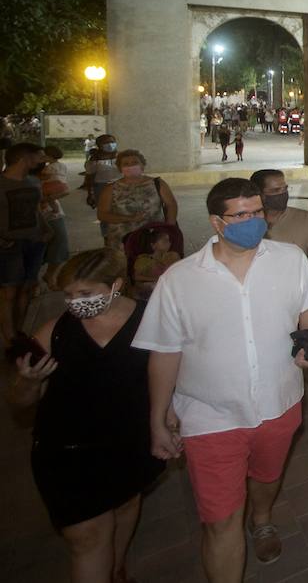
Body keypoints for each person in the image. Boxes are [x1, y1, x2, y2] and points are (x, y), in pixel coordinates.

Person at [133, 177, 308, 578]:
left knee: (267, 477)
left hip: (279, 403)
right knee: (221, 523)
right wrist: (157, 417)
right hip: (209, 416)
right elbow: (164, 353)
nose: (253, 221)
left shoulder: (290, 259)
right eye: (242, 215)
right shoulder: (179, 280)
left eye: (257, 212)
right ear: (217, 223)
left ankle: (262, 516)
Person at [9, 249, 165, 583]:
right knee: (88, 538)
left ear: (116, 285)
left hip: (129, 442)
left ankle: (116, 569)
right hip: (68, 452)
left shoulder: (151, 321)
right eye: (69, 295)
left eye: (85, 293)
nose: (75, 303)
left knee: (125, 507)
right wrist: (27, 382)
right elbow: (20, 402)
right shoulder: (54, 334)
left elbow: (169, 376)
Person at [2, 143, 49, 347]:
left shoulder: (33, 182)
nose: (42, 161)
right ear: (24, 158)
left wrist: (46, 229)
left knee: (27, 288)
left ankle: (18, 332)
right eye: (38, 157)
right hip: (7, 244)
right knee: (9, 292)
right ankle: (10, 338)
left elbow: (35, 210)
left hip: (34, 240)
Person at [251, 170, 308, 288]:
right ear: (259, 194)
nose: (283, 194)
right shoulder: (247, 224)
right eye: (275, 191)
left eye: (285, 189)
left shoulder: (304, 218)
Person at [97, 150, 178, 251]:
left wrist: (168, 230)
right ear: (120, 168)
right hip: (121, 240)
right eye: (126, 164)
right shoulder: (110, 189)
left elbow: (171, 205)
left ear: (143, 166)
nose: (130, 166)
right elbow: (102, 214)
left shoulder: (158, 183)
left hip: (155, 238)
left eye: (135, 162)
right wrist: (129, 218)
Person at [39, 146, 72, 281]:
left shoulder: (47, 169)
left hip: (49, 211)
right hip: (46, 210)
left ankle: (49, 275)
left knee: (59, 246)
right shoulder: (60, 166)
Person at [131, 225, 182, 297]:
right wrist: (156, 279)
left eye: (168, 240)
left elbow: (179, 272)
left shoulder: (173, 256)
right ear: (153, 245)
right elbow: (136, 277)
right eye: (164, 240)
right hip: (151, 288)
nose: (168, 243)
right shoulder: (144, 259)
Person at [82, 135, 120, 211]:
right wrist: (90, 194)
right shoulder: (94, 159)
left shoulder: (121, 156)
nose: (110, 144)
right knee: (106, 211)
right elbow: (89, 178)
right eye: (106, 142)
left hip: (121, 186)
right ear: (99, 145)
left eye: (112, 142)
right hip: (102, 187)